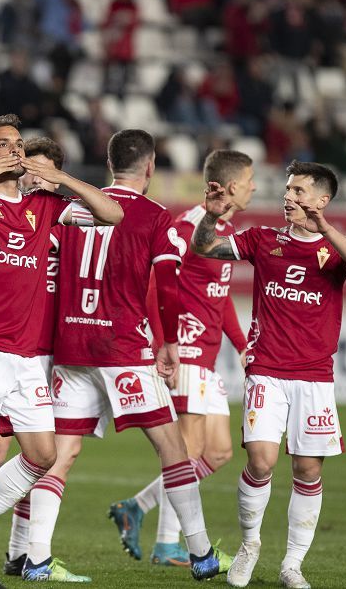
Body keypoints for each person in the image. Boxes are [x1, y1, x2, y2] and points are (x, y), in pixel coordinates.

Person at [0, 114, 123, 589]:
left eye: (17, 144)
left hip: (28, 353)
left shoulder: (46, 205)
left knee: (41, 454)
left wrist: (62, 178)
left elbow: (113, 215)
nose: (14, 150)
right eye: (3, 144)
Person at [23, 129, 228, 583]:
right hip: (123, 348)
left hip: (72, 345)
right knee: (174, 449)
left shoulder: (72, 208)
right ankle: (199, 553)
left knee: (61, 453)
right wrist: (170, 343)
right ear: (151, 167)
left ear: (111, 162)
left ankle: (36, 557)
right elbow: (168, 286)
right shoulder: (157, 218)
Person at [191, 160, 346, 589]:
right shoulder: (262, 239)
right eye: (287, 190)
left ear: (321, 200)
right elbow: (205, 247)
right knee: (261, 459)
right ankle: (249, 547)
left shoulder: (338, 248)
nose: (288, 197)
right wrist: (212, 215)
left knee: (309, 469)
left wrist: (325, 228)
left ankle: (292, 564)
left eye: (298, 191)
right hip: (267, 370)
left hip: (314, 377)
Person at [108, 150, 256, 567]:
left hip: (207, 359)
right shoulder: (191, 225)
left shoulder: (224, 230)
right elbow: (157, 285)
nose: (255, 187)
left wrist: (242, 344)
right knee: (186, 451)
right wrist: (163, 340)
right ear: (229, 186)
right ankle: (169, 544)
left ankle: (135, 507)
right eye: (250, 180)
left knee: (220, 453)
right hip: (186, 351)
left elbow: (220, 296)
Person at [0, 137, 67, 577]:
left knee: (41, 455)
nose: (33, 177)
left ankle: (21, 552)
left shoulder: (66, 221)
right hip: (12, 348)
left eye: (42, 171)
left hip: (57, 353)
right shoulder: (12, 219)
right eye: (29, 168)